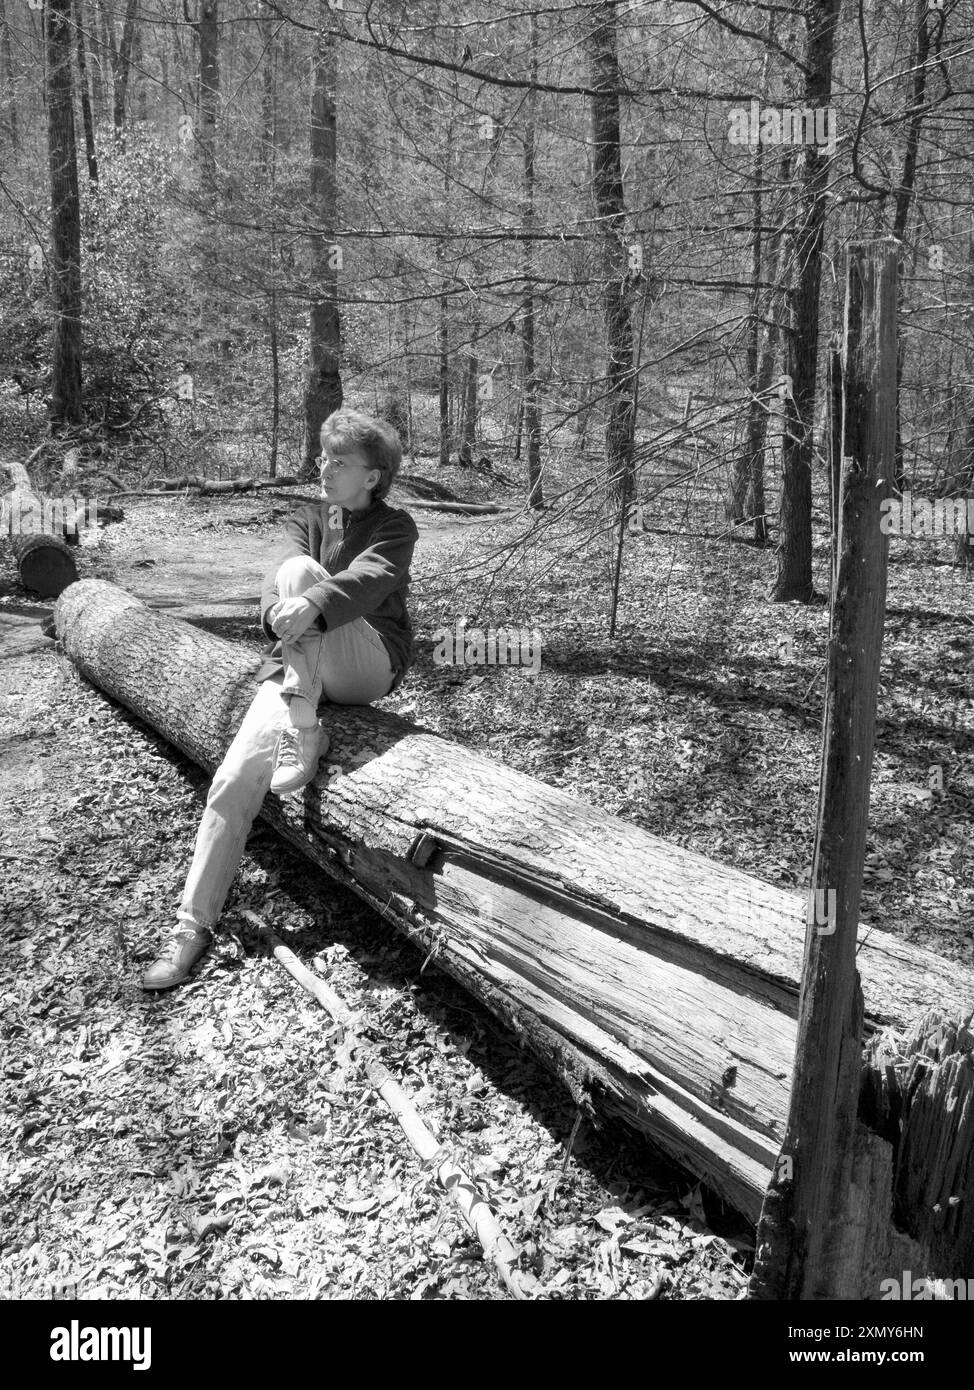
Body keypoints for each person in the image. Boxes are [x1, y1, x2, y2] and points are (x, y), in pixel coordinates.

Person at [142, 408, 419, 990]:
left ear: (372, 476)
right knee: (234, 778)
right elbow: (273, 584)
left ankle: (303, 718)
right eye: (323, 456)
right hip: (300, 671)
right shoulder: (309, 517)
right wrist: (278, 611)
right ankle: (190, 927)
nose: (325, 468)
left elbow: (370, 577)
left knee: (301, 574)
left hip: (367, 665)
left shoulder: (396, 527)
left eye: (340, 461)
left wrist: (311, 601)